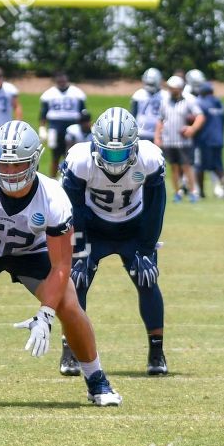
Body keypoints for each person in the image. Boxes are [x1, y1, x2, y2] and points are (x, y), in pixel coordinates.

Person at [0, 120, 123, 410]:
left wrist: (45, 313)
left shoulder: (54, 197)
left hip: (33, 253)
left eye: (17, 164)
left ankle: (96, 379)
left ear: (34, 161)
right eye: (3, 165)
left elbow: (60, 266)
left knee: (69, 303)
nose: (9, 172)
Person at [60, 108, 170, 377]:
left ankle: (157, 351)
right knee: (77, 282)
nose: (115, 159)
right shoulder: (79, 159)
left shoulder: (149, 158)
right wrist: (80, 249)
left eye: (121, 153)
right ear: (95, 144)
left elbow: (156, 208)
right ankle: (70, 350)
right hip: (92, 226)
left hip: (133, 227)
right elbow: (71, 208)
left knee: (147, 280)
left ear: (134, 147)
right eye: (109, 153)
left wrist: (146, 250)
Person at [156, 75, 205, 202]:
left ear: (179, 88)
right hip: (169, 140)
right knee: (174, 167)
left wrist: (192, 129)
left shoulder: (188, 100)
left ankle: (193, 192)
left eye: (174, 88)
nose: (171, 90)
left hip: (183, 141)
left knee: (187, 166)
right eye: (170, 88)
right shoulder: (165, 101)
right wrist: (157, 137)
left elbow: (200, 116)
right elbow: (160, 120)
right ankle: (177, 192)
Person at [38, 72, 88, 175]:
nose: (61, 83)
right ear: (56, 81)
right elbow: (43, 113)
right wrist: (42, 128)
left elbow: (84, 113)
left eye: (63, 80)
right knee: (55, 156)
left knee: (73, 155)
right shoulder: (49, 94)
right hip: (55, 126)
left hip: (73, 125)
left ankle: (71, 177)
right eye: (59, 81)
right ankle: (52, 178)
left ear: (67, 80)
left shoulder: (77, 93)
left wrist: (85, 127)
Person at [190, 71, 224, 199]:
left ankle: (201, 192)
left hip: (204, 140)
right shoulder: (220, 103)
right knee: (218, 165)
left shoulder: (200, 103)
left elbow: (196, 119)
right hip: (219, 139)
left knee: (199, 166)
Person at [130, 68, 165, 150]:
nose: (150, 86)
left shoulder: (164, 95)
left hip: (158, 134)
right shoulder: (138, 94)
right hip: (141, 132)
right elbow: (133, 114)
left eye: (152, 84)